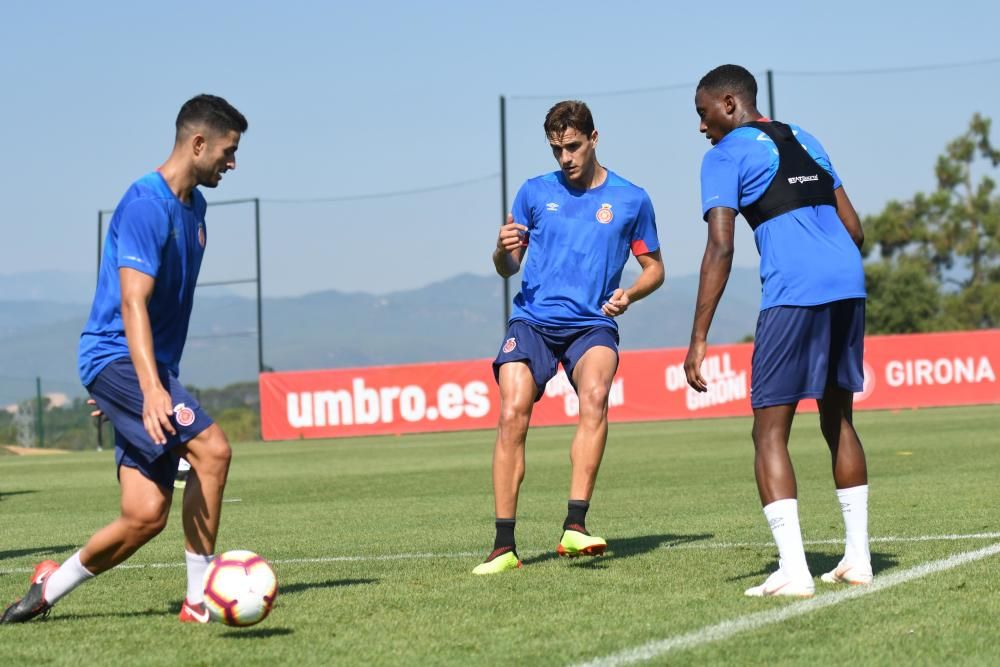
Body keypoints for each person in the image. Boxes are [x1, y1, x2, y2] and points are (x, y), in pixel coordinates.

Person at [2, 94, 247, 623]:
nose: (233, 163)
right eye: (227, 151)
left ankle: (47, 588)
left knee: (144, 516)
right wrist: (146, 388)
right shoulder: (144, 203)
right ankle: (198, 601)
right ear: (198, 143)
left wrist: (130, 394)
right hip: (118, 357)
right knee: (214, 451)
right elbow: (132, 300)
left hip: (136, 372)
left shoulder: (196, 209)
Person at [684, 64, 872, 597]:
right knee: (838, 419)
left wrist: (698, 338)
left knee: (768, 431)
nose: (701, 128)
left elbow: (721, 246)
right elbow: (854, 228)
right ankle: (857, 559)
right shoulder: (805, 137)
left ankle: (794, 571)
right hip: (847, 283)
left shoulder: (722, 156)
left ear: (727, 104)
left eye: (702, 114)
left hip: (796, 290)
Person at [474, 100, 664, 574]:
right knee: (511, 411)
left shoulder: (631, 199)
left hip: (592, 323)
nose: (566, 158)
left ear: (594, 138)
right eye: (557, 149)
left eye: (573, 146)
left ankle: (574, 528)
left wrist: (631, 294)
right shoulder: (534, 193)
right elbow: (506, 269)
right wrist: (501, 251)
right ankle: (504, 546)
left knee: (595, 395)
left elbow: (655, 269)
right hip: (533, 321)